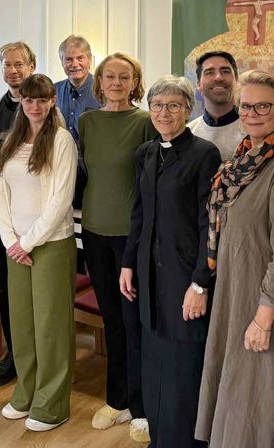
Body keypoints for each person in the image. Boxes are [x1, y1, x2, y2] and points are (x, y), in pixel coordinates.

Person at [194, 70, 274, 448]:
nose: (252, 112)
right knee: (233, 391)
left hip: (262, 304)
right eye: (246, 105)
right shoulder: (245, 160)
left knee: (253, 400)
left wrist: (263, 319)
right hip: (233, 292)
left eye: (264, 105)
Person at [120, 75, 222, 446]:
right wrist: (128, 263)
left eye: (174, 106)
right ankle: (160, 438)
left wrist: (200, 282)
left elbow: (209, 224)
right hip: (148, 276)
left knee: (182, 368)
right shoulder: (145, 153)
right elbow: (139, 214)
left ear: (188, 109)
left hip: (184, 279)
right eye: (158, 105)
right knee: (153, 363)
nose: (164, 113)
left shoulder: (204, 154)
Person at [78, 52, 158, 437]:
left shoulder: (145, 122)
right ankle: (116, 400)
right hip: (93, 232)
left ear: (134, 82)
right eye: (109, 76)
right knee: (112, 320)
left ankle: (141, 406)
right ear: (99, 81)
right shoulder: (86, 121)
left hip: (130, 236)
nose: (116, 82)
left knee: (133, 321)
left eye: (124, 77)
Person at [0, 74, 77, 432]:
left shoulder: (61, 140)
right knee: (23, 324)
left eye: (42, 99)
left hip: (50, 245)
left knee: (50, 326)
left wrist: (27, 242)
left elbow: (61, 199)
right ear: (22, 102)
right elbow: (0, 190)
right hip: (17, 247)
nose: (35, 106)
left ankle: (52, 403)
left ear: (52, 101)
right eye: (29, 100)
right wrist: (11, 240)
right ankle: (26, 391)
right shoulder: (12, 140)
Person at [0, 41, 36, 387]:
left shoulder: (44, 106)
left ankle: (36, 357)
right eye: (6, 65)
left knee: (33, 293)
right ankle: (14, 355)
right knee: (5, 289)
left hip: (31, 220)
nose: (13, 70)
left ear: (31, 66)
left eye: (19, 64)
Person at [187, 51, 246, 161]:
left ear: (236, 81)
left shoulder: (254, 131)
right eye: (209, 72)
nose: (218, 77)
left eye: (225, 71)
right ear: (198, 85)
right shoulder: (188, 134)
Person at [54, 35, 101, 144]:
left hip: (92, 158)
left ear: (89, 60)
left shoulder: (103, 90)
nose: (75, 64)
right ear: (62, 62)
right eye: (69, 59)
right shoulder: (53, 90)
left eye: (80, 58)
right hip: (61, 157)